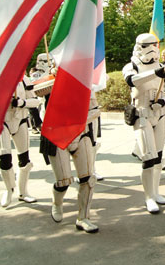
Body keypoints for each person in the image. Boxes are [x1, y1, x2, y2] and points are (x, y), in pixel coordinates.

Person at [122, 33, 165, 214]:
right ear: (139, 46)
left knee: (159, 157)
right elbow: (132, 81)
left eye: (155, 45)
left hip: (159, 115)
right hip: (142, 116)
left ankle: (156, 192)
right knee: (149, 157)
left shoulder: (162, 67)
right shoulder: (132, 66)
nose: (152, 49)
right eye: (148, 45)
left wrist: (163, 102)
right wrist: (154, 73)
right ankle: (148, 197)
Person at [41, 93, 101, 232]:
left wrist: (78, 121)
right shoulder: (51, 81)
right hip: (57, 134)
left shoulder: (84, 82)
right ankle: (57, 202)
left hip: (82, 133)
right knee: (64, 181)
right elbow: (37, 94)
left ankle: (83, 218)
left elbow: (95, 110)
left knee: (88, 179)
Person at [0, 76, 40, 207]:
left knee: (24, 159)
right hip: (1, 121)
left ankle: (23, 192)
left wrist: (22, 103)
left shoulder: (23, 79)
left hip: (20, 120)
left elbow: (35, 101)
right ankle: (9, 189)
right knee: (4, 158)